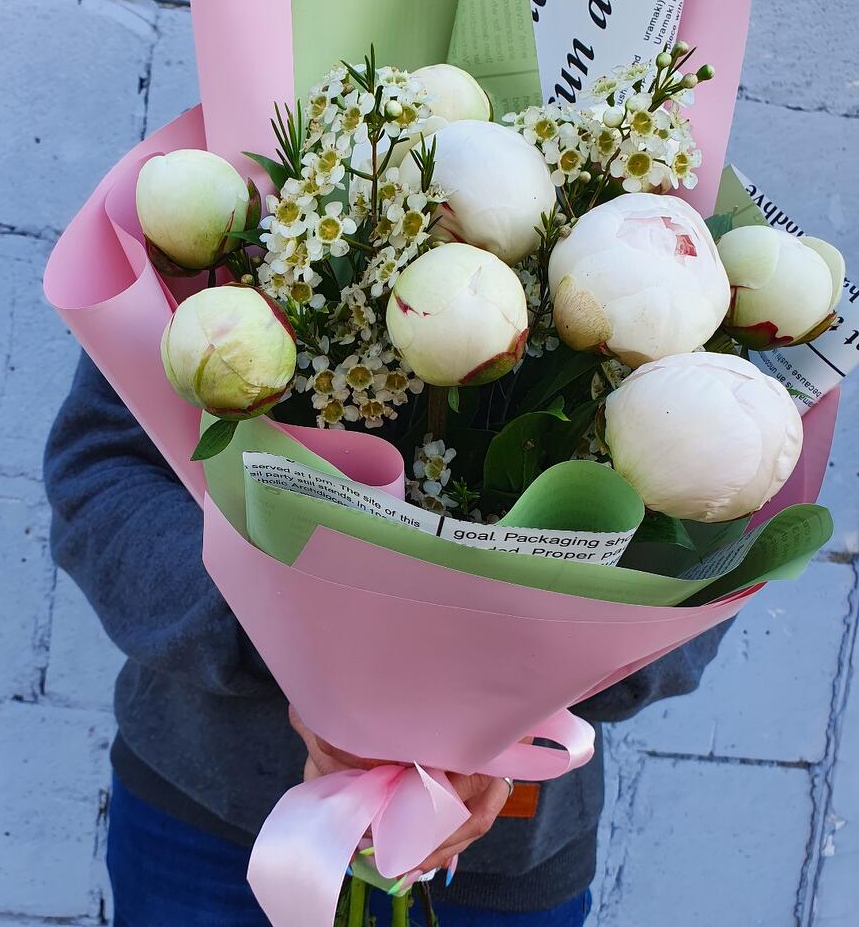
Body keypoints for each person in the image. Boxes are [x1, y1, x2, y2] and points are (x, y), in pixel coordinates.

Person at [45, 353, 733, 926]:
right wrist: (285, 641)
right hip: (203, 829)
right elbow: (105, 468)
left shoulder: (679, 266)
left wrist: (499, 706)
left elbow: (717, 548)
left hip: (499, 873)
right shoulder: (227, 232)